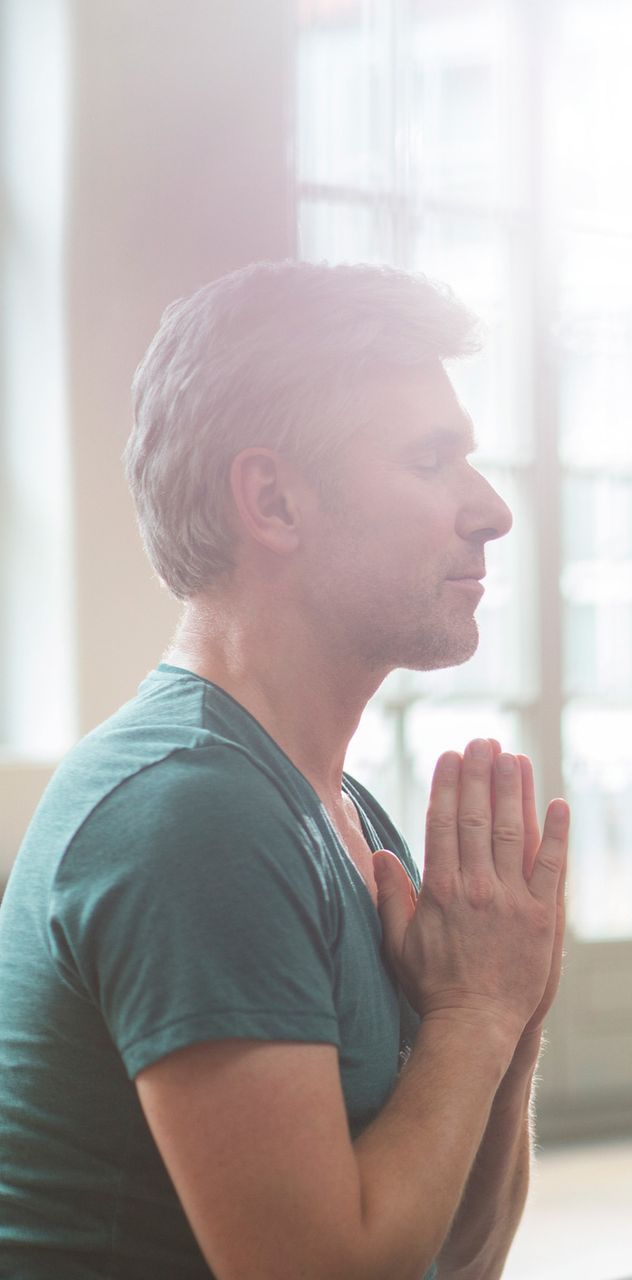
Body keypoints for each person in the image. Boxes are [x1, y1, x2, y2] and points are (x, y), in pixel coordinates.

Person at [0, 261, 570, 1278]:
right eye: (434, 461)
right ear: (272, 499)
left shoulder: (344, 813)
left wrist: (506, 1011)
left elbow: (461, 1259)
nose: (490, 511)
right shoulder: (188, 814)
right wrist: (474, 1012)